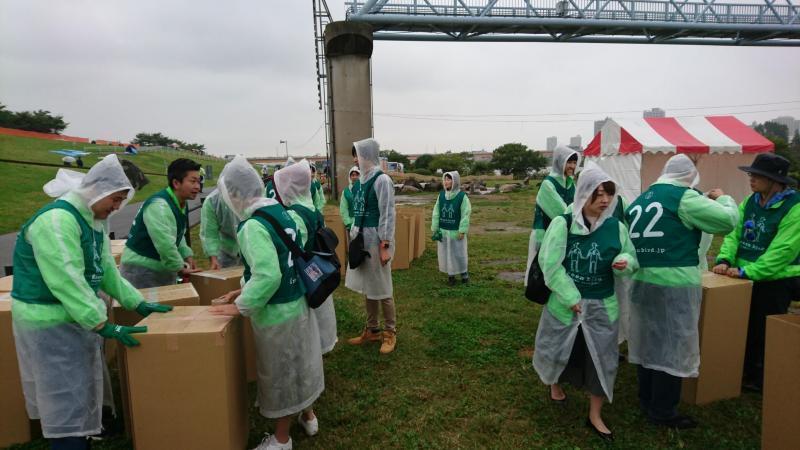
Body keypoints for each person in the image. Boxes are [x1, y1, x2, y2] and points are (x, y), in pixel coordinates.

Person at [11, 155, 172, 450]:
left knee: (81, 389)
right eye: (116, 199)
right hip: (47, 323)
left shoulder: (93, 221)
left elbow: (105, 270)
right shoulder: (57, 222)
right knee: (62, 399)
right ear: (97, 189)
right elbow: (67, 279)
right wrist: (101, 323)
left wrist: (136, 302)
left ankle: (81, 438)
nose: (117, 207)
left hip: (74, 317)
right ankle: (68, 443)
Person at [209, 156, 323, 450]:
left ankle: (282, 439)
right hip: (297, 302)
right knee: (300, 363)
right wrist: (240, 291)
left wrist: (240, 306)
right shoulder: (280, 211)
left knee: (281, 373)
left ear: (234, 195)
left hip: (275, 313)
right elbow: (277, 263)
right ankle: (308, 415)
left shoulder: (250, 227)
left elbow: (268, 276)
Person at [626, 154, 738, 429]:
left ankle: (647, 398)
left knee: (648, 340)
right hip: (674, 283)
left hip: (641, 280)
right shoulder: (684, 197)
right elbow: (726, 222)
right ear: (689, 177)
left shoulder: (641, 199)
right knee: (672, 347)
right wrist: (724, 198)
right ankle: (663, 410)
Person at [533, 162, 638, 442]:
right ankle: (554, 384)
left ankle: (595, 414)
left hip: (602, 307)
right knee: (557, 348)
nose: (605, 200)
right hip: (565, 306)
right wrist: (570, 297)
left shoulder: (616, 227)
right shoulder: (563, 223)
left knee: (602, 359)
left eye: (609, 193)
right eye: (598, 193)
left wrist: (624, 262)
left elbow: (631, 256)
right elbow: (551, 264)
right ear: (584, 193)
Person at [712, 153, 800, 392]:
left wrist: (747, 271)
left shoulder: (795, 207)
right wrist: (724, 258)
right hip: (742, 274)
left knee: (764, 331)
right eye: (751, 174)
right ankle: (742, 370)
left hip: (776, 279)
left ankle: (761, 378)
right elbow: (734, 232)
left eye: (758, 175)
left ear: (776, 180)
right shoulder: (751, 201)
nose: (751, 179)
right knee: (744, 326)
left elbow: (783, 250)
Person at [274, 160, 338, 355]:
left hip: (305, 270)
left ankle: (312, 348)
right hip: (318, 267)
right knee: (322, 309)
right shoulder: (311, 207)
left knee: (309, 313)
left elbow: (295, 245)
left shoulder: (295, 214)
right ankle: (324, 342)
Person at [345, 138, 398, 354]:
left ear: (367, 156)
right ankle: (372, 329)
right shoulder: (360, 181)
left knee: (383, 287)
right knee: (369, 286)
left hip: (377, 240)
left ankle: (390, 331)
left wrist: (385, 244)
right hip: (363, 240)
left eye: (357, 155)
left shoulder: (382, 180)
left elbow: (387, 213)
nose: (355, 160)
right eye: (354, 156)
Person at [119, 158, 202, 288]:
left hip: (160, 267)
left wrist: (187, 255)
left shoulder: (180, 202)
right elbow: (165, 243)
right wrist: (179, 267)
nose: (197, 186)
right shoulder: (159, 206)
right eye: (192, 181)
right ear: (176, 183)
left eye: (199, 181)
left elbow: (177, 234)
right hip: (141, 269)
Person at [526, 146, 579, 285]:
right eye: (569, 162)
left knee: (559, 268)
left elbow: (578, 205)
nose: (572, 166)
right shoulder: (548, 184)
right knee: (542, 271)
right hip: (545, 233)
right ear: (560, 162)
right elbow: (561, 211)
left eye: (574, 162)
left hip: (561, 231)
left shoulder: (570, 183)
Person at [431, 171, 472, 285]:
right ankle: (451, 275)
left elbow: (465, 213)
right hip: (443, 230)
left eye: (449, 179)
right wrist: (435, 227)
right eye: (445, 179)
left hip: (456, 231)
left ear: (455, 181)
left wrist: (462, 230)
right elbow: (436, 212)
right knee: (446, 253)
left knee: (459, 253)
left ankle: (464, 274)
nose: (446, 182)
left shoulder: (461, 196)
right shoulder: (441, 195)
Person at [200, 188, 241, 270]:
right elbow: (209, 233)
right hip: (227, 253)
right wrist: (213, 258)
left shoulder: (254, 193)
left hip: (253, 250)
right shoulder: (213, 200)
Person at [339, 166, 361, 232]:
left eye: (357, 175)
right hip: (351, 223)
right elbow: (343, 209)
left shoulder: (364, 189)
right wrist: (348, 223)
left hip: (364, 224)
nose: (355, 177)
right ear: (350, 177)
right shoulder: (346, 192)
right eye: (353, 175)